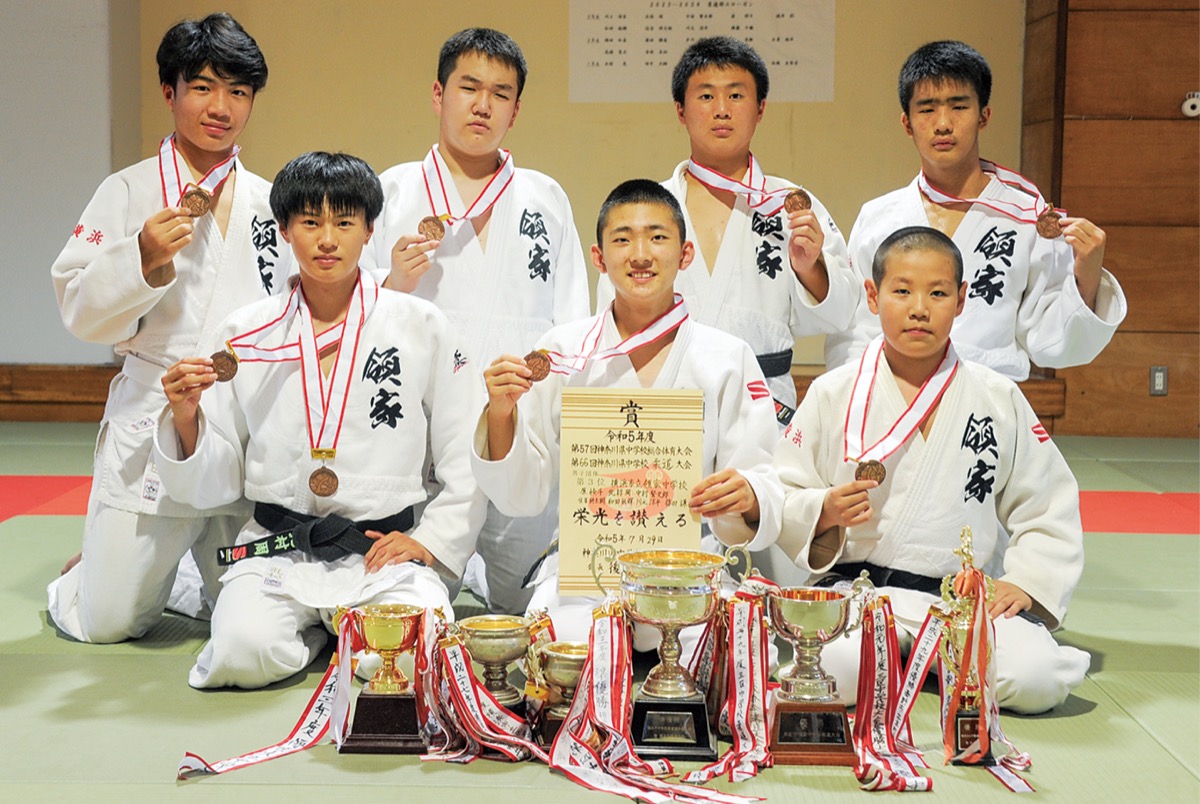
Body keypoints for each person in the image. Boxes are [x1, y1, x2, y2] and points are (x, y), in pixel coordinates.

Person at [152, 152, 487, 689]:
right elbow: (218, 469)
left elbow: (464, 448)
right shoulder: (245, 334)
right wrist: (186, 418)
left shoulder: (421, 324)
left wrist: (431, 540)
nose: (327, 239)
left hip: (381, 552)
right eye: (310, 222)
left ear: (370, 230)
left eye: (344, 223)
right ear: (284, 229)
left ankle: (341, 632)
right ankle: (325, 637)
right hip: (280, 550)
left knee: (418, 656)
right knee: (238, 653)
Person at [771, 226, 1089, 714]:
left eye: (937, 293)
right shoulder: (834, 390)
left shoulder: (996, 396)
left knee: (1037, 679)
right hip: (861, 596)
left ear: (961, 300)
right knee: (829, 675)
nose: (919, 308)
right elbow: (785, 488)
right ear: (873, 296)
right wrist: (824, 510)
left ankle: (912, 662)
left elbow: (1046, 501)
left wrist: (1027, 581)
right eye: (902, 291)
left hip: (957, 601)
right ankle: (919, 663)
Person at [48, 13, 286, 643]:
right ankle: (88, 576)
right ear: (169, 91)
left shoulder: (270, 202)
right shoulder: (126, 191)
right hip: (152, 416)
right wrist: (141, 258)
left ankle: (175, 575)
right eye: (203, 87)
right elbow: (77, 306)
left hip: (237, 426)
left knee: (253, 616)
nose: (221, 107)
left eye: (238, 91)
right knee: (106, 622)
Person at [471, 179, 782, 646]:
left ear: (685, 254)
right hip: (585, 572)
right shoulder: (562, 351)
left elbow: (760, 474)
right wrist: (500, 414)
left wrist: (747, 496)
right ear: (599, 258)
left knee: (737, 647)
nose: (640, 254)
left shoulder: (727, 356)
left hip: (688, 571)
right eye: (622, 239)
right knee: (554, 643)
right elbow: (522, 493)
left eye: (657, 237)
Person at [366, 28, 590, 616]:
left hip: (518, 434)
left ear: (516, 110)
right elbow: (346, 313)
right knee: (410, 603)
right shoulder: (392, 191)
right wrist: (391, 284)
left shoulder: (545, 198)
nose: (483, 105)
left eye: (500, 93)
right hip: (422, 441)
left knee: (530, 607)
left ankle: (489, 582)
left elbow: (572, 323)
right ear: (438, 94)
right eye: (469, 88)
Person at [824, 40, 1126, 379]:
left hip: (989, 399)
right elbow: (854, 335)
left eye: (958, 107)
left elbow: (1052, 341)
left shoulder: (1026, 218)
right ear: (907, 123)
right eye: (927, 109)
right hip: (894, 399)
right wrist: (860, 400)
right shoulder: (878, 218)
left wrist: (1087, 276)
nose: (943, 124)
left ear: (983, 116)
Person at [596, 36, 858, 425]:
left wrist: (810, 268)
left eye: (736, 96)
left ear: (760, 108)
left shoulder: (788, 204)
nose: (721, 110)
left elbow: (842, 315)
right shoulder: (647, 208)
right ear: (681, 110)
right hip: (664, 404)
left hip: (762, 404)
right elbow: (611, 313)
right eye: (706, 96)